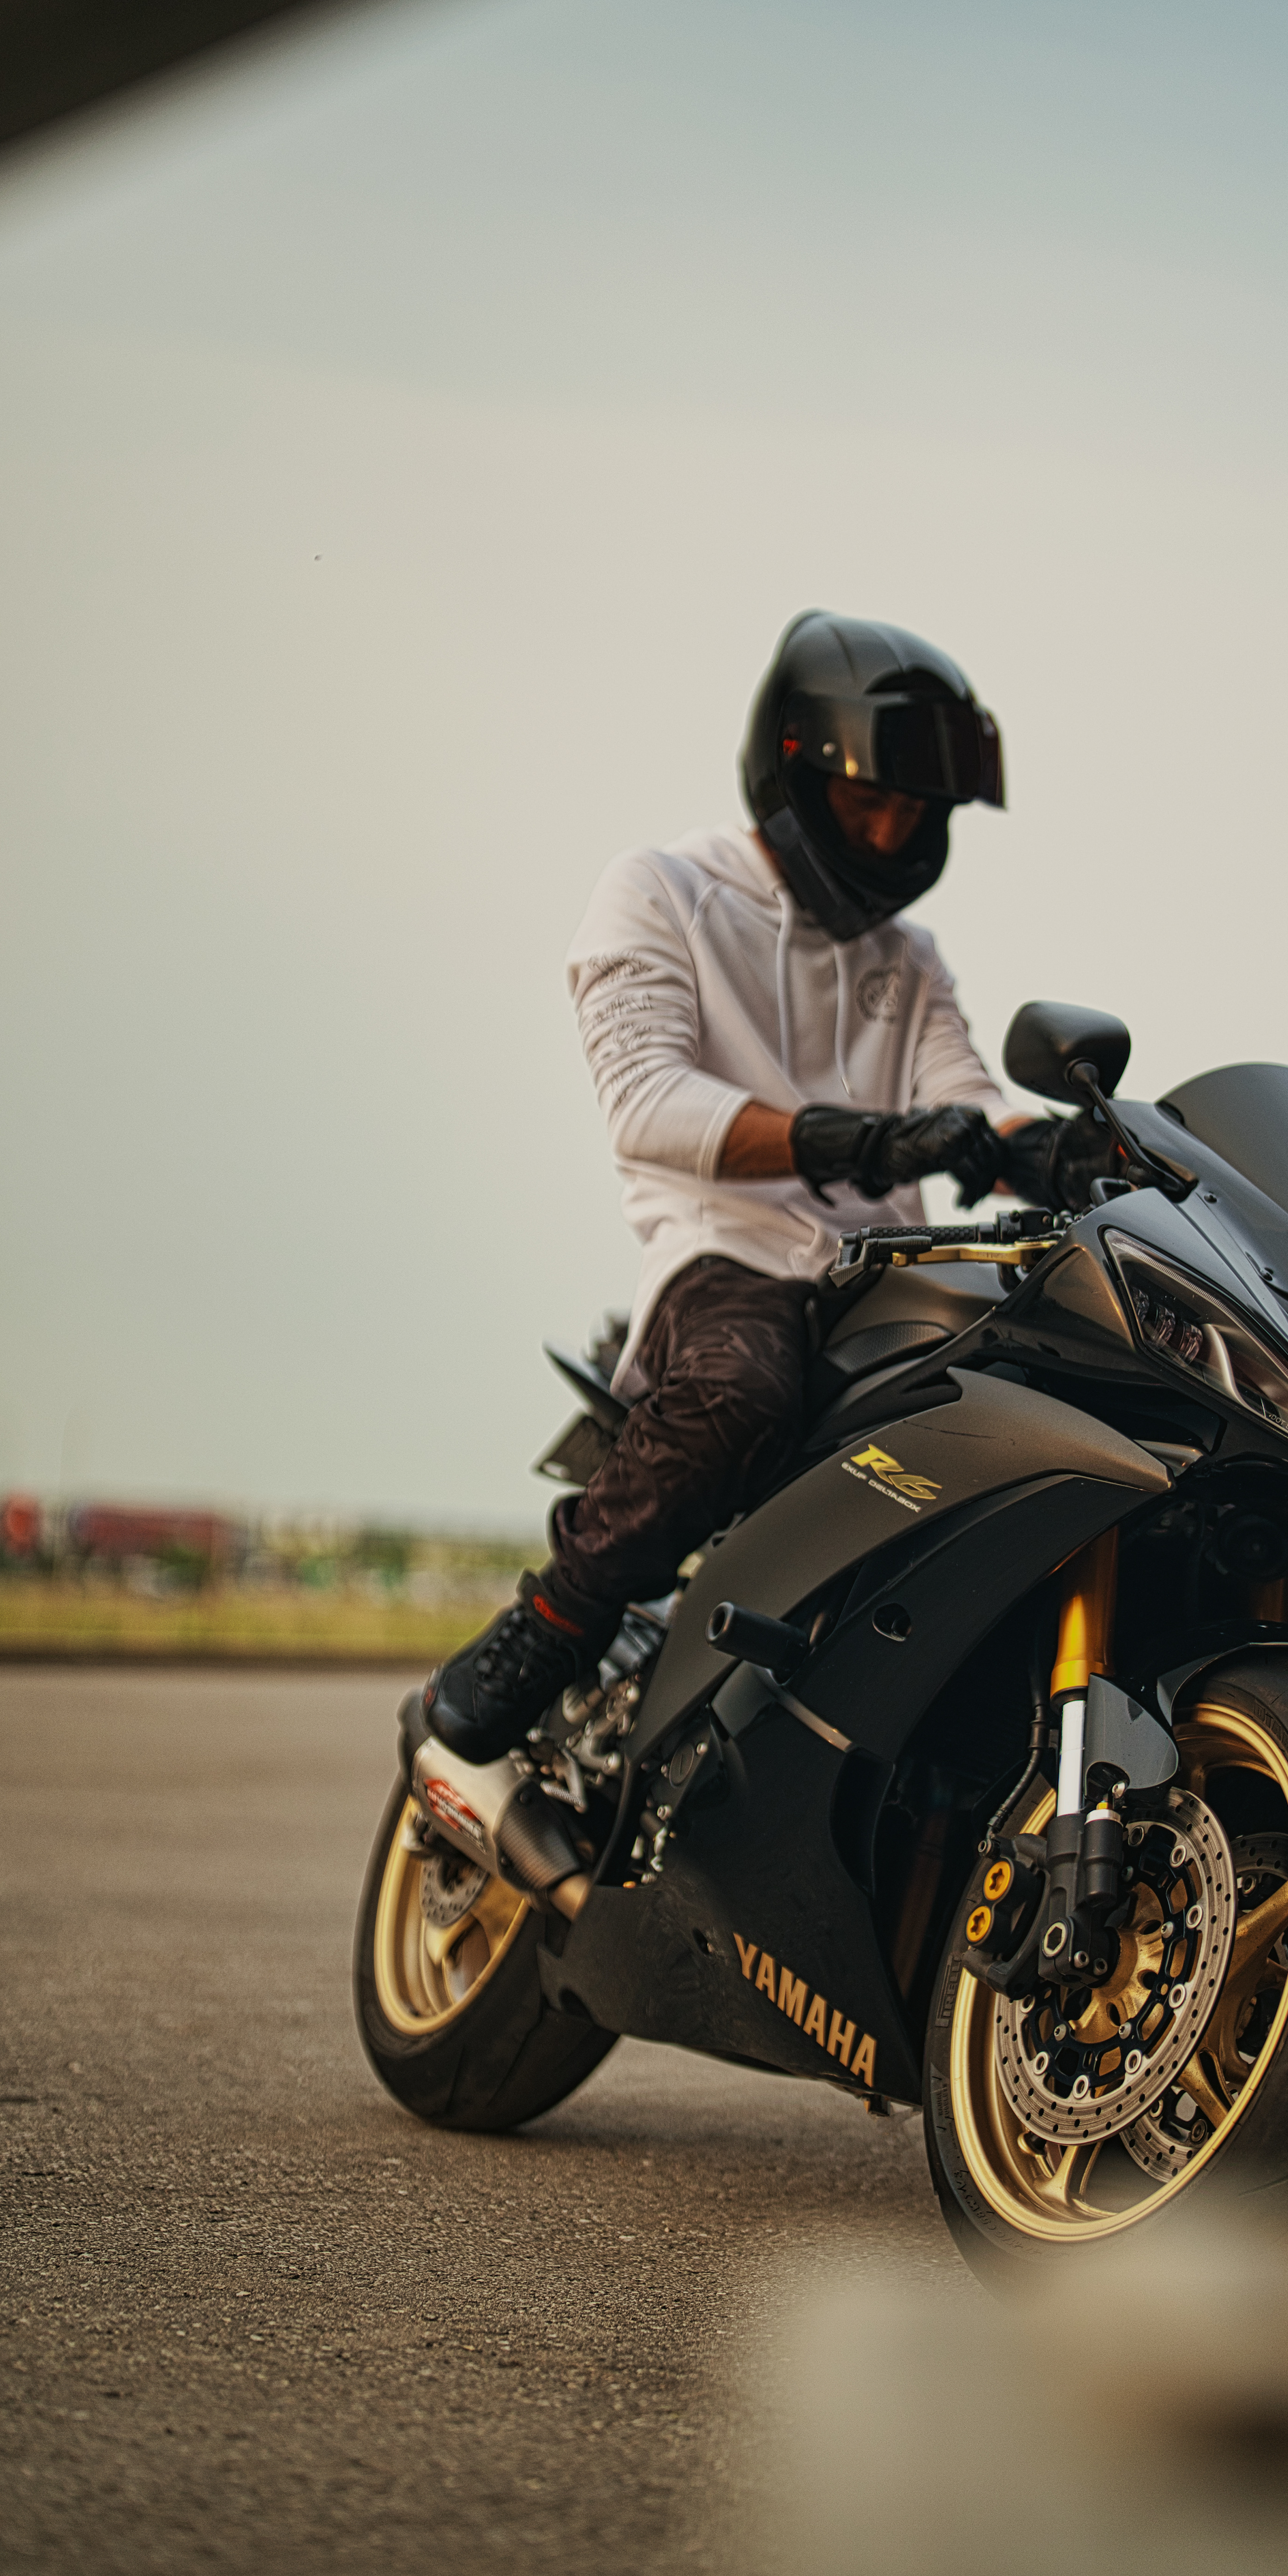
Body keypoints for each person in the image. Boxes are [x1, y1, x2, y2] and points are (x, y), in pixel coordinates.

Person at [424, 611, 1113, 1763]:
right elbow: (647, 1103)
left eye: (918, 814)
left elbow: (970, 1095)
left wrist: (1067, 1148)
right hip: (728, 1255)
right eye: (869, 804)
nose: (893, 833)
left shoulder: (912, 959)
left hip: (883, 1273)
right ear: (795, 772)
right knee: (740, 1395)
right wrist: (863, 1144)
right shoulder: (661, 892)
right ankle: (556, 1619)